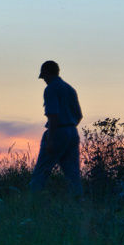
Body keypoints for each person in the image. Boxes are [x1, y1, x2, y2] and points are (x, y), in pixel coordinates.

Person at [29, 60, 83, 196]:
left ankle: (33, 200)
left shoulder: (51, 89)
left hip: (58, 131)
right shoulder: (69, 89)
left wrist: (51, 139)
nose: (44, 80)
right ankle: (77, 202)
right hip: (72, 131)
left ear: (47, 73)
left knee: (41, 171)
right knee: (73, 175)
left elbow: (53, 115)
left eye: (44, 76)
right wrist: (68, 128)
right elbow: (79, 115)